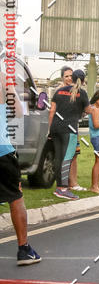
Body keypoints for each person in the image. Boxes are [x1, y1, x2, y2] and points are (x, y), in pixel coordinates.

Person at [0, 71, 41, 265]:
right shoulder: (2, 76)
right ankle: (24, 249)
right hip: (2, 150)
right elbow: (17, 110)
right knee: (15, 197)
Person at [48, 68, 91, 200]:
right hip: (70, 130)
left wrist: (50, 130)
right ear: (82, 81)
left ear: (72, 79)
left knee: (58, 158)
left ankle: (59, 188)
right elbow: (88, 110)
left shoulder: (59, 91)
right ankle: (63, 189)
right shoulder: (82, 93)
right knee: (67, 159)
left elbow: (52, 111)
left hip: (56, 128)